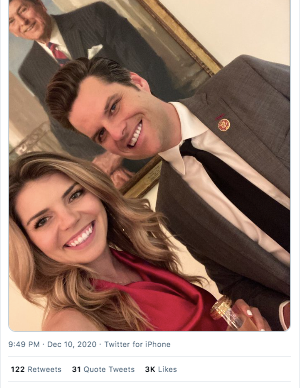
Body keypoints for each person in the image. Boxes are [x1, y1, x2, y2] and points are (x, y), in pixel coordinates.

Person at [46, 55, 290, 331]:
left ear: (137, 82)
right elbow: (236, 283)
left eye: (113, 107)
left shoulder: (244, 82)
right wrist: (285, 312)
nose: (116, 132)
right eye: (100, 135)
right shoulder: (173, 210)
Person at [9, 152, 269, 331]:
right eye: (42, 221)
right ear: (29, 244)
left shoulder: (138, 259)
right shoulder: (68, 326)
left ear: (97, 191)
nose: (69, 220)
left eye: (75, 195)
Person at [9, 0, 180, 183]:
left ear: (39, 4)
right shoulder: (30, 70)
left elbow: (148, 70)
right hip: (125, 169)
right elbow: (63, 129)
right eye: (11, 21)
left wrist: (117, 154)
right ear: (11, 31)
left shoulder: (94, 16)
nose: (23, 22)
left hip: (162, 126)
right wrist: (105, 168)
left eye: (23, 9)